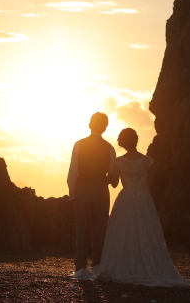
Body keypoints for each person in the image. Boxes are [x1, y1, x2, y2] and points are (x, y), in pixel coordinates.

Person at [71, 128, 190, 289]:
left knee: (124, 231)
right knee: (146, 231)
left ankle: (123, 262)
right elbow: (151, 184)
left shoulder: (119, 162)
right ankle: (145, 262)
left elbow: (115, 183)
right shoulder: (147, 161)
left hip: (125, 199)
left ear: (123, 143)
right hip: (144, 198)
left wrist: (105, 174)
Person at [67, 112, 116, 273]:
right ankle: (97, 264)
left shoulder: (79, 144)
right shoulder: (110, 148)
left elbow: (73, 170)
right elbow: (111, 172)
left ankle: (80, 266)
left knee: (81, 228)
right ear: (105, 127)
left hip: (82, 188)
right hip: (101, 189)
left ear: (90, 125)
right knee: (100, 228)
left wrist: (73, 193)